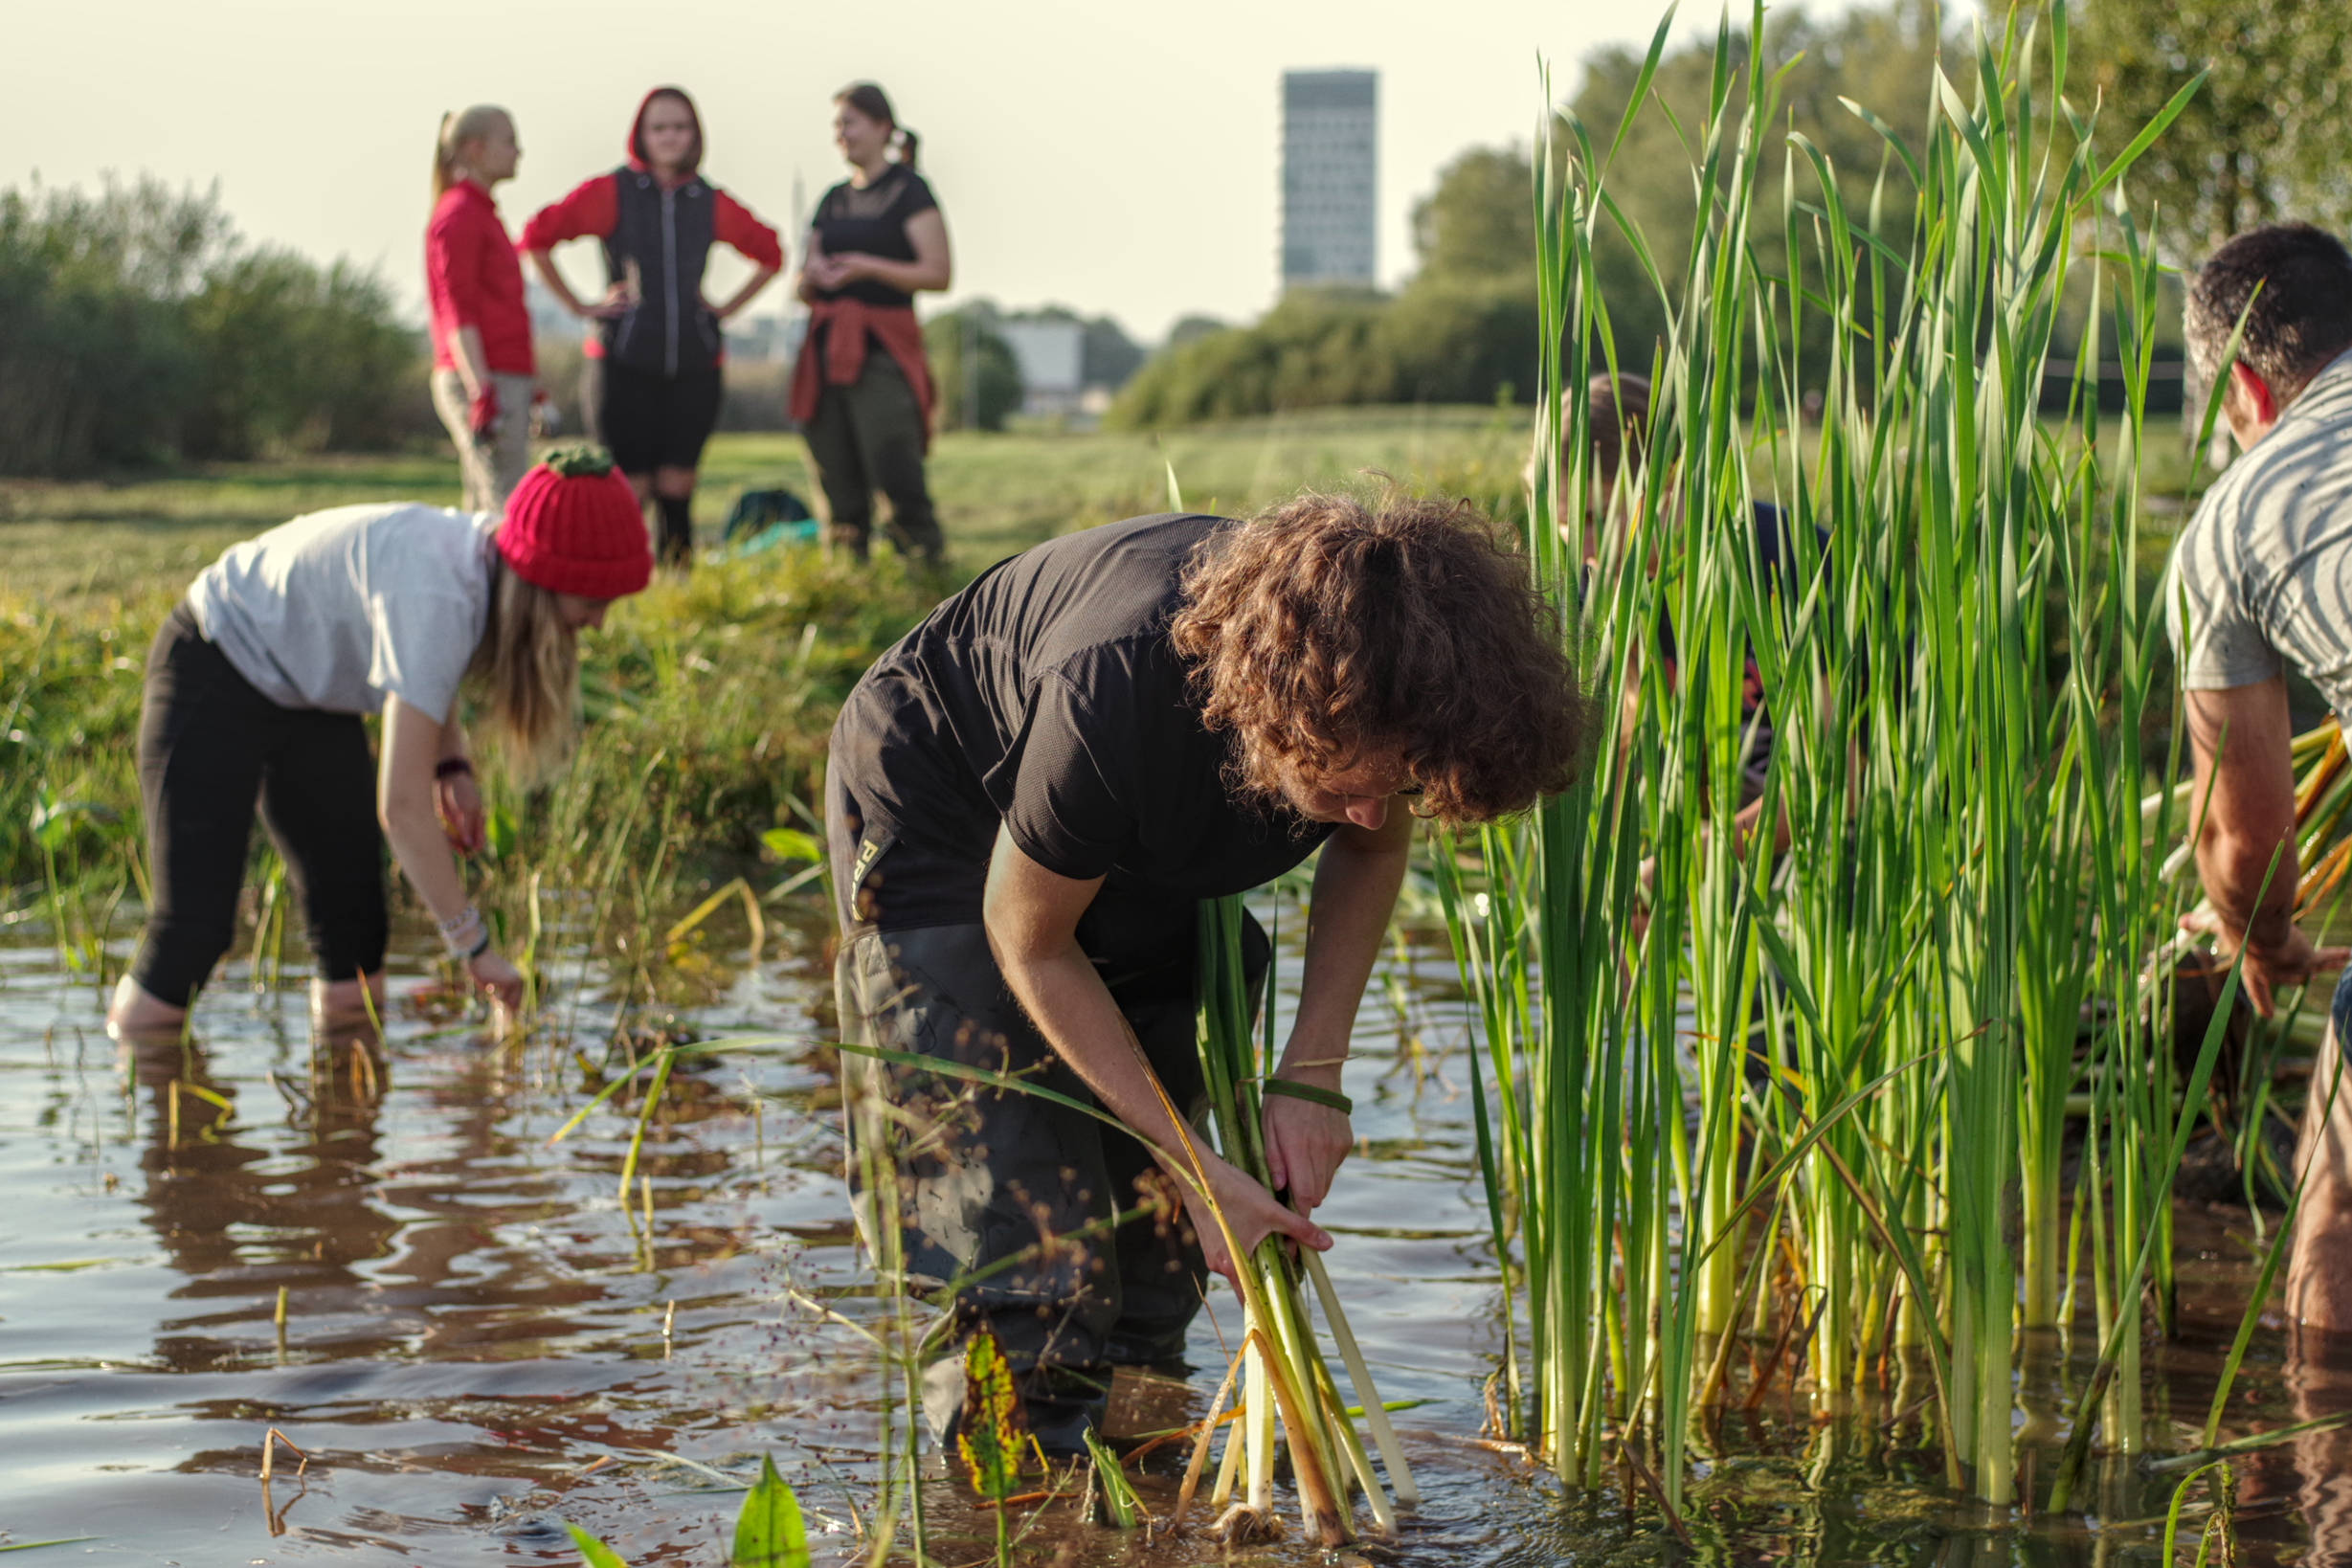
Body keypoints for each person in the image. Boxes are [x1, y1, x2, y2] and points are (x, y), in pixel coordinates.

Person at [826, 494, 1591, 1447]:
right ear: (1273, 723)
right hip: (939, 806)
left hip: (1117, 826)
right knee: (1024, 1256)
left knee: (1161, 1251)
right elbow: (1030, 940)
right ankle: (1011, 1513)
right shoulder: (1119, 691)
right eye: (1346, 790)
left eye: (1394, 789)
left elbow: (1371, 851)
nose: (1369, 814)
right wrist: (1194, 1165)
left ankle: (1144, 1497)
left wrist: (1314, 1079)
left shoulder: (1384, 681)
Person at [106, 448, 655, 1038]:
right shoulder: (439, 594)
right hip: (214, 664)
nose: (599, 622)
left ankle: (343, 1115)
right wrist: (475, 950)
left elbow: (424, 666)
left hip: (310, 697)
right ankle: (143, 1107)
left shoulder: (479, 567)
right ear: (543, 585)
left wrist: (452, 763)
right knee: (194, 931)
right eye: (593, 602)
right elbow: (402, 810)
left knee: (355, 938)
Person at [2160, 221, 2352, 1330]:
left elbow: (2244, 837)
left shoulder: (2243, 511)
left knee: (2336, 1217)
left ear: (2245, 385)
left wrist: (2263, 937)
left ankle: (2306, 1493)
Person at [522, 87, 785, 568]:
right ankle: (620, 591)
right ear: (640, 135)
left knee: (677, 485)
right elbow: (537, 237)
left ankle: (678, 596)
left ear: (695, 135)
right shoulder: (612, 191)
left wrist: (725, 308)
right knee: (630, 487)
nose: (670, 137)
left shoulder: (709, 200)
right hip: (622, 362)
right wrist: (582, 304)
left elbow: (772, 253)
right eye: (659, 128)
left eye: (680, 127)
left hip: (696, 363)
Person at [790, 82, 949, 567]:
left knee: (894, 466)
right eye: (837, 125)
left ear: (883, 128)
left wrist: (867, 266)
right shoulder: (832, 199)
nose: (842, 134)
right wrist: (810, 277)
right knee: (833, 469)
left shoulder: (908, 191)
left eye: (851, 123)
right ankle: (846, 573)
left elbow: (938, 273)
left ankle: (922, 569)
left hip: (881, 352)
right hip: (826, 348)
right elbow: (803, 280)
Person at [427, 105, 536, 514]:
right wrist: (481, 392)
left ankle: (483, 581)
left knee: (483, 510)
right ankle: (507, 582)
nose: (518, 152)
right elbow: (458, 312)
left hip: (502, 376)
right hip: (485, 377)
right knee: (505, 511)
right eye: (509, 141)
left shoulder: (483, 213)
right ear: (475, 149)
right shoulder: (459, 216)